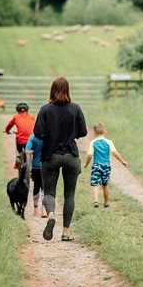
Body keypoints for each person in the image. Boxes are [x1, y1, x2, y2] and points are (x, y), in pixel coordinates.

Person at [33, 76, 87, 242]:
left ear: (52, 90)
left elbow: (38, 133)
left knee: (49, 192)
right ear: (68, 90)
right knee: (69, 195)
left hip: (51, 156)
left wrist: (51, 134)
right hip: (71, 155)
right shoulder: (75, 108)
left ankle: (50, 215)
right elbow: (83, 132)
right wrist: (71, 134)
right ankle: (65, 232)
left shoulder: (45, 109)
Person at [84, 122, 128, 208]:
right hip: (106, 165)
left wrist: (86, 164)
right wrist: (123, 161)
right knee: (105, 184)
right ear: (105, 132)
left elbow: (89, 155)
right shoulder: (109, 142)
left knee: (96, 184)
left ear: (94, 133)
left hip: (96, 165)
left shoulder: (93, 142)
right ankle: (106, 202)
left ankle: (96, 200)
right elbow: (115, 153)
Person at [4, 102, 35, 168]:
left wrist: (7, 131)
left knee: (18, 150)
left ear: (17, 110)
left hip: (20, 140)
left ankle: (18, 157)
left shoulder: (16, 117)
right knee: (32, 151)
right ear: (27, 110)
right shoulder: (32, 117)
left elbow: (9, 125)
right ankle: (32, 165)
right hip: (30, 139)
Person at [25, 133, 47, 217]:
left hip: (35, 166)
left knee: (36, 187)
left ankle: (35, 209)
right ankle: (44, 210)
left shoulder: (32, 137)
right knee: (44, 188)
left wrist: (32, 152)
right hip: (46, 166)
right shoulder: (49, 135)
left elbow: (27, 150)